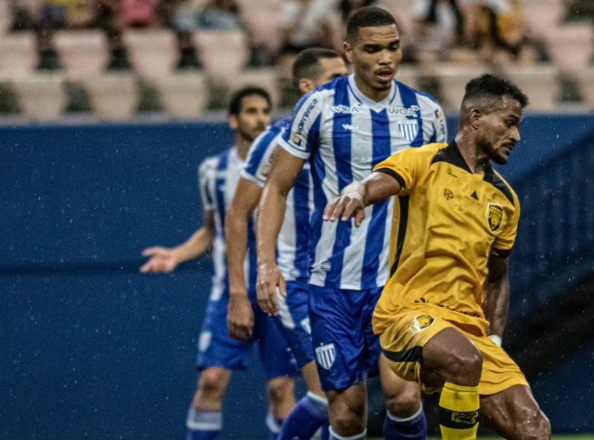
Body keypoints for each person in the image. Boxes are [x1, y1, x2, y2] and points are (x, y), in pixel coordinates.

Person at [255, 6, 448, 440]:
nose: (386, 59)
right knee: (346, 414)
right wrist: (267, 264)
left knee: (404, 396)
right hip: (332, 285)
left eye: (393, 47)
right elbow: (277, 189)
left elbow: (437, 199)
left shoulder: (426, 113)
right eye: (373, 49)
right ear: (349, 50)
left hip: (399, 285)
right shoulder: (318, 107)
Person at [323, 74, 552, 440]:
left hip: (469, 333)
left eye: (519, 127)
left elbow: (496, 275)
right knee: (462, 359)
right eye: (509, 124)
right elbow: (376, 182)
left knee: (534, 429)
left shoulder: (505, 200)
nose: (517, 137)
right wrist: (357, 191)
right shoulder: (425, 162)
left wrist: (494, 340)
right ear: (476, 117)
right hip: (407, 315)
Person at [140, 87, 299, 440]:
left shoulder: (288, 165)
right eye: (251, 111)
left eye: (265, 111)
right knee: (212, 380)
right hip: (230, 293)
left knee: (280, 389)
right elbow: (211, 231)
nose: (260, 118)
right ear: (233, 119)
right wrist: (176, 255)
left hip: (280, 292)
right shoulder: (212, 171)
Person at [225, 48, 349, 440]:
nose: (345, 86)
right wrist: (238, 293)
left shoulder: (354, 134)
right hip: (296, 285)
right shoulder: (275, 140)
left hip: (349, 284)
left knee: (345, 399)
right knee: (332, 397)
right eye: (334, 79)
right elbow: (237, 214)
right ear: (307, 87)